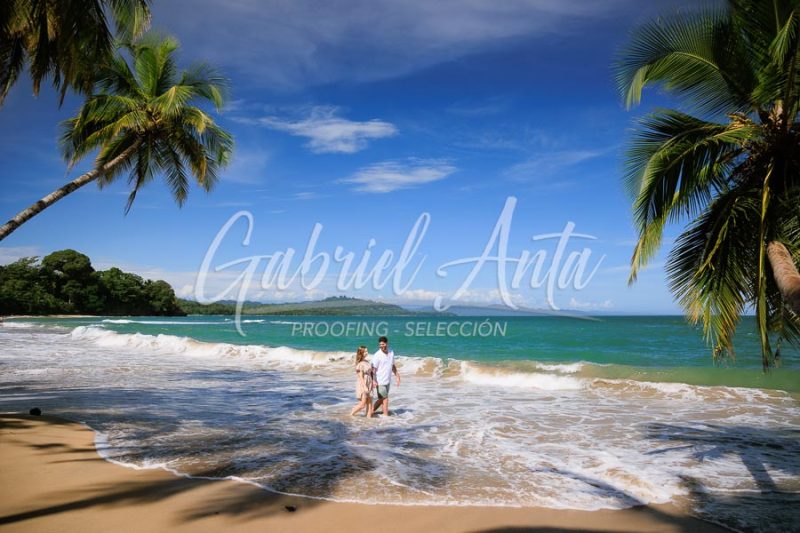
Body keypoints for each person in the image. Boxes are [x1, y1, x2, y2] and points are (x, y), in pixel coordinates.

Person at [371, 335, 400, 417]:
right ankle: (386, 416)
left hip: (387, 380)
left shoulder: (391, 352)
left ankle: (370, 412)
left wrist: (397, 375)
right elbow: (373, 369)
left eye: (383, 344)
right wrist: (373, 380)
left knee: (381, 399)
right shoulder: (377, 355)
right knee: (385, 398)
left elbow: (392, 365)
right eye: (380, 345)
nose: (381, 346)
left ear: (386, 343)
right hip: (379, 381)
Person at [350, 346, 374, 417]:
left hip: (369, 381)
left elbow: (371, 373)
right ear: (361, 353)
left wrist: (372, 382)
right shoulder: (360, 363)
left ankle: (368, 419)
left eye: (367, 351)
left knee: (370, 403)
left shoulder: (366, 361)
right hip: (363, 383)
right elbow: (360, 377)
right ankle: (351, 414)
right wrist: (365, 387)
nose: (367, 353)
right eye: (365, 351)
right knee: (363, 404)